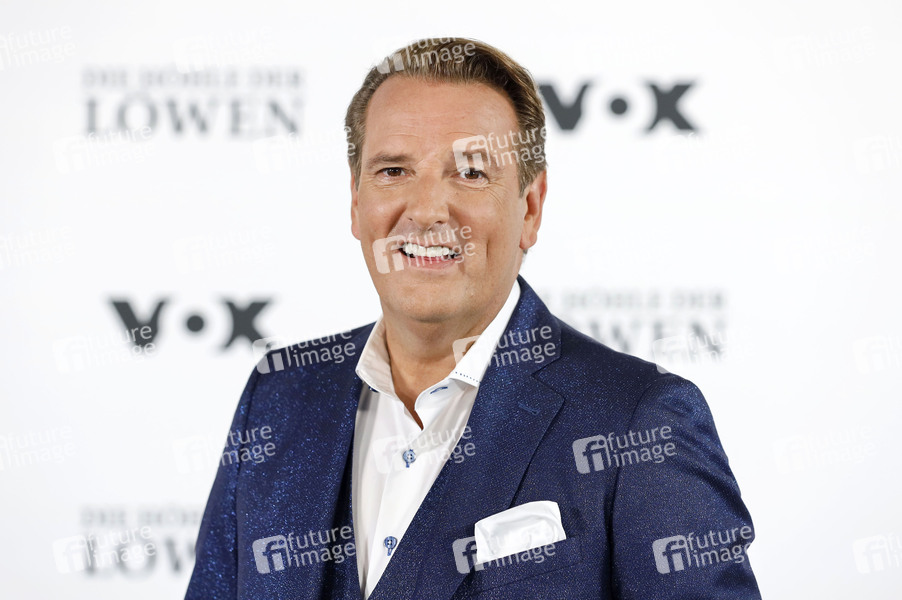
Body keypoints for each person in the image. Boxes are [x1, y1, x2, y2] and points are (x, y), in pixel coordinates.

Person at [186, 37, 761, 599]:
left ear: (530, 208)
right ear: (356, 202)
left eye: (471, 172)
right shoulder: (279, 396)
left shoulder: (638, 419)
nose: (427, 210)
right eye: (393, 171)